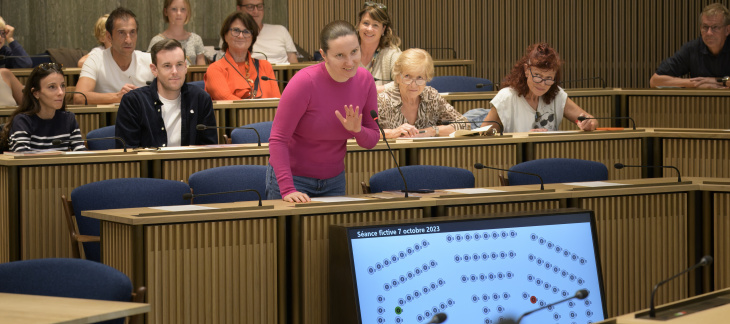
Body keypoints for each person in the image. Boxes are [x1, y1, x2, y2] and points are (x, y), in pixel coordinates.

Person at [266, 20, 380, 203]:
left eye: (354, 52)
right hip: (293, 179)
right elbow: (278, 139)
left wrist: (357, 130)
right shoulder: (304, 82)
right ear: (323, 55)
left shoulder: (365, 80)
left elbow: (372, 139)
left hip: (334, 180)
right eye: (340, 55)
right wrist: (287, 189)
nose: (349, 62)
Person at [115, 39, 217, 148]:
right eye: (167, 66)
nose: (175, 71)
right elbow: (128, 153)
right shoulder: (133, 102)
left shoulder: (201, 99)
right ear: (154, 70)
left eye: (179, 64)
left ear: (186, 66)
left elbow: (209, 150)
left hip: (191, 165)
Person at [480, 43, 598, 133]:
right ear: (526, 70)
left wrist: (589, 123)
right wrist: (524, 137)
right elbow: (484, 134)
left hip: (548, 158)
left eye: (549, 78)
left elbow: (592, 120)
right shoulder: (506, 97)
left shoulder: (557, 95)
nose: (542, 84)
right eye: (537, 76)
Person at [377, 48, 470, 138]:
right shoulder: (382, 101)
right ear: (397, 77)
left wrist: (432, 131)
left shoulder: (431, 96)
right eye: (407, 76)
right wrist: (392, 133)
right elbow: (364, 132)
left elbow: (464, 124)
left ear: (427, 78)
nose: (413, 85)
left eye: (420, 78)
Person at [74, 7, 154, 105]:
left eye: (132, 32)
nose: (128, 40)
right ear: (109, 37)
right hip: (107, 119)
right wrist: (118, 97)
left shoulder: (149, 60)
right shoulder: (95, 60)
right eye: (121, 33)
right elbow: (79, 97)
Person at [0, 63, 85, 152]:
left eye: (62, 86)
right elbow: (21, 155)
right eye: (52, 87)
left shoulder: (69, 119)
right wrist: (53, 156)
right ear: (36, 93)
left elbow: (81, 152)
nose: (61, 92)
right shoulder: (22, 121)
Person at [650, 3, 730, 89]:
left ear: (727, 30)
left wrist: (715, 81)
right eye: (705, 27)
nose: (709, 33)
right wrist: (696, 83)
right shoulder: (692, 49)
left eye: (715, 27)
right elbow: (654, 81)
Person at [205, 12, 280, 100]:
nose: (241, 36)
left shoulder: (265, 66)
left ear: (252, 38)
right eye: (236, 30)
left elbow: (278, 101)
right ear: (225, 36)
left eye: (246, 31)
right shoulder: (215, 69)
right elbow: (226, 99)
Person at [357, 2, 401, 92]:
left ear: (383, 29)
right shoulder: (348, 51)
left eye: (375, 25)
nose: (369, 29)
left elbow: (403, 82)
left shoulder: (392, 54)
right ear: (359, 25)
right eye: (366, 23)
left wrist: (373, 90)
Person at [146, 0, 206, 66]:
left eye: (183, 9)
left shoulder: (196, 39)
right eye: (174, 9)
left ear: (187, 12)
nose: (179, 13)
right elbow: (150, 70)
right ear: (165, 11)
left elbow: (201, 71)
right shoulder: (157, 41)